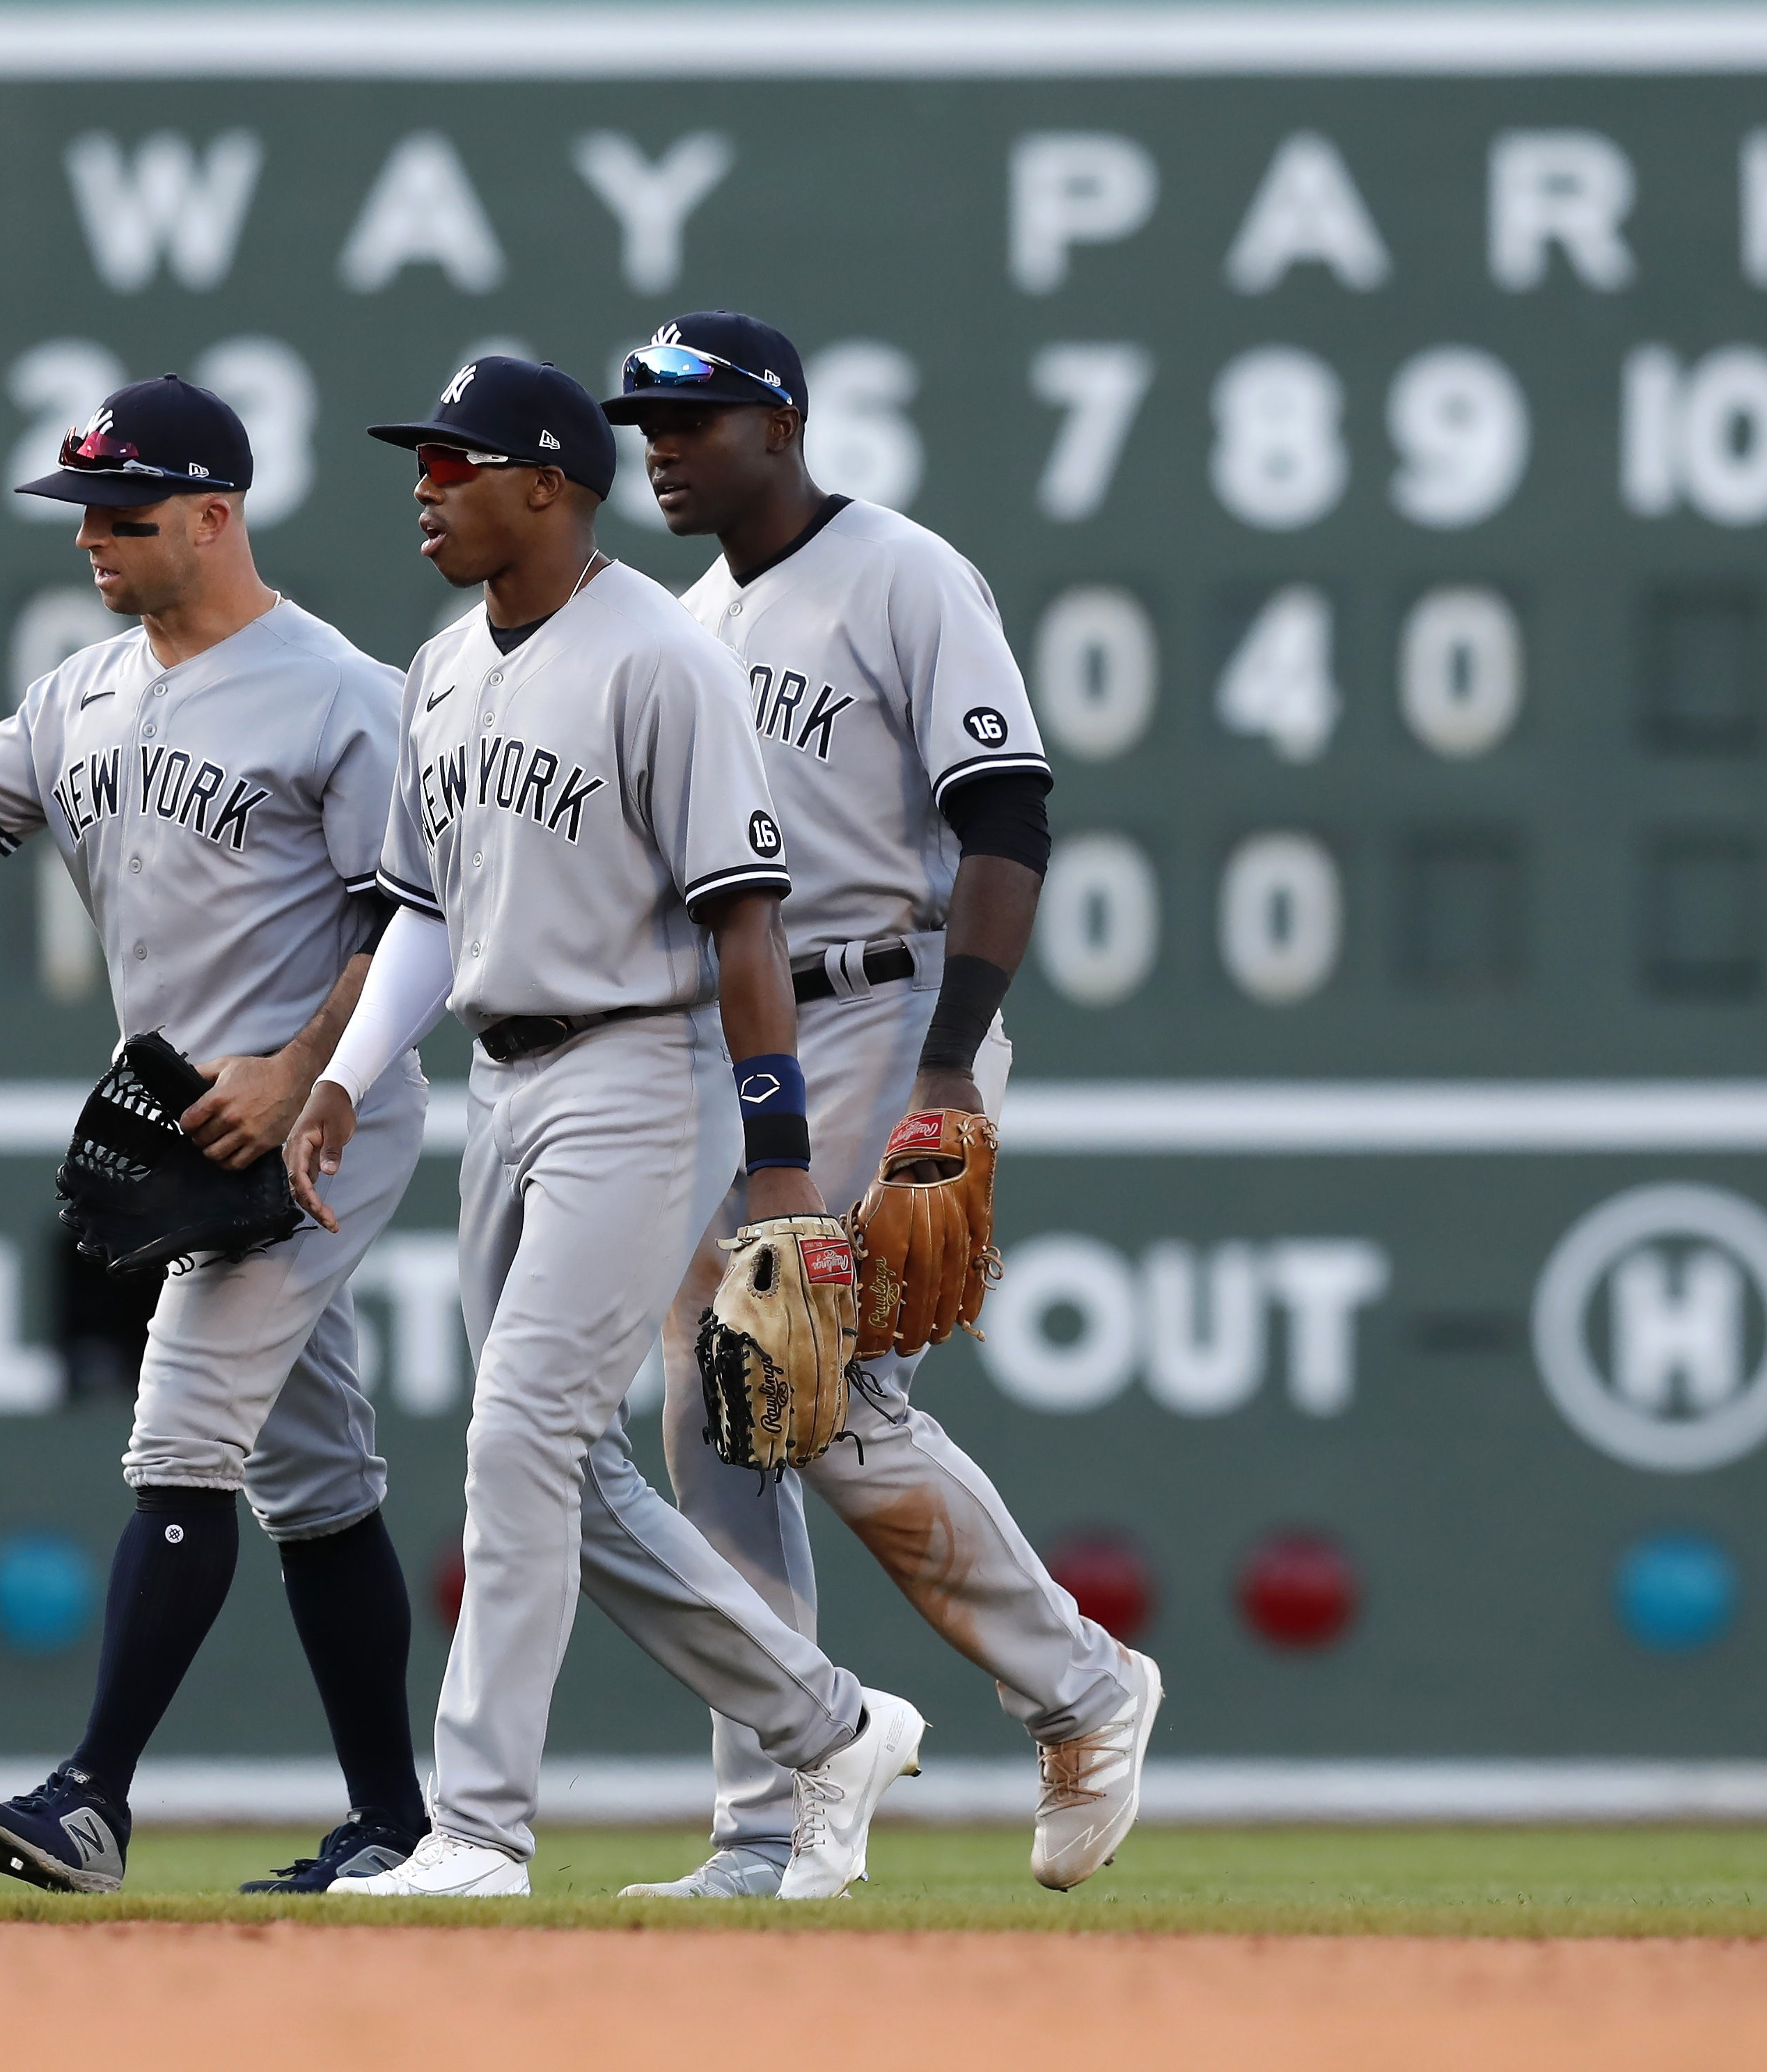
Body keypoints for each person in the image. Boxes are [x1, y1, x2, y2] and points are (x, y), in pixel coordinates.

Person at [285, 355, 925, 1900]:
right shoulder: (440, 667)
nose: (427, 487)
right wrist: (346, 1072)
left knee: (516, 1436)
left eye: (458, 461)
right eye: (421, 460)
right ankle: (824, 1723)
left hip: (643, 1075)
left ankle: (480, 1829)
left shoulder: (659, 659)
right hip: (502, 1081)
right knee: (559, 1466)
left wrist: (777, 1162)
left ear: (551, 485)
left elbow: (747, 924)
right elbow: (423, 911)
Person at [0, 374, 430, 1896]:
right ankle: (395, 1828)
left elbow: (411, 910)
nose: (93, 537)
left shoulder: (337, 689)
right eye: (83, 510)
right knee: (319, 1484)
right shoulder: (83, 689)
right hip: (183, 1126)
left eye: (125, 514)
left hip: (317, 1115)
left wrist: (296, 1074)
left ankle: (91, 1797)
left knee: (178, 1440)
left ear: (215, 517)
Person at [602, 313, 1163, 1897]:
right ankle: (774, 1818)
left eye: (692, 418)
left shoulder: (903, 573)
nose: (660, 444)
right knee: (724, 1417)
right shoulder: (688, 618)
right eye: (645, 418)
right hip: (751, 1032)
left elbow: (1006, 816)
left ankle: (1080, 1687)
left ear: (781, 426)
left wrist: (948, 1066)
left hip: (897, 1001)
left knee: (823, 1387)